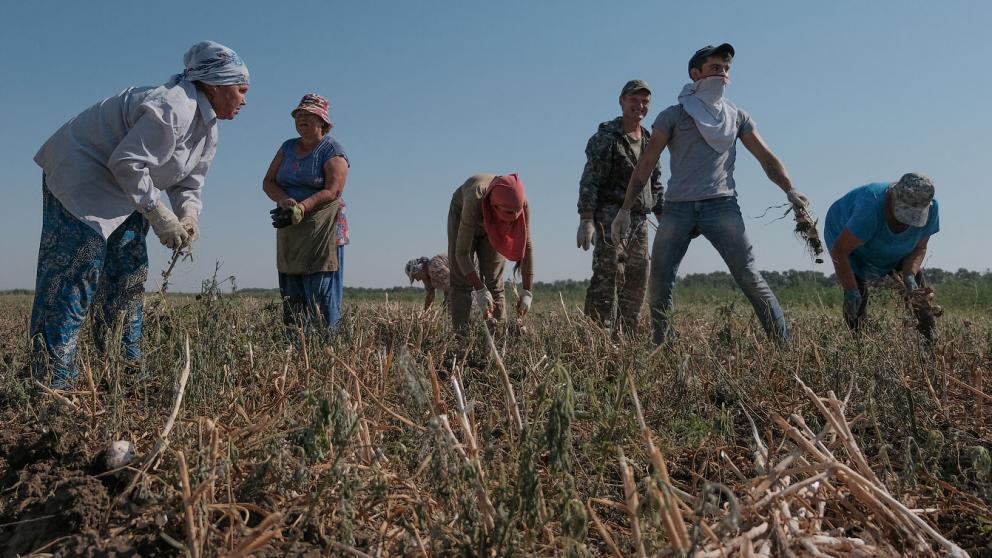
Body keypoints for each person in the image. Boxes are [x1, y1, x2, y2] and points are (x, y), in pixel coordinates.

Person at [30, 41, 249, 388]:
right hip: (83, 174)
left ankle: (122, 370)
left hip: (128, 187)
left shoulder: (209, 130)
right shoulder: (174, 106)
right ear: (217, 85)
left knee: (129, 272)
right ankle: (51, 380)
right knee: (77, 269)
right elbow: (126, 162)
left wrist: (188, 216)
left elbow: (189, 183)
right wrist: (160, 216)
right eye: (241, 90)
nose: (244, 100)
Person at [612, 43, 809, 345]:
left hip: (722, 205)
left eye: (726, 69)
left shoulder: (737, 117)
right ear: (696, 74)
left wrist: (790, 189)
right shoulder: (673, 116)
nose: (722, 74)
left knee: (748, 275)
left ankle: (785, 347)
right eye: (715, 68)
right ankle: (663, 347)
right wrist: (625, 208)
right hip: (677, 208)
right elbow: (646, 164)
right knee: (660, 282)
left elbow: (766, 158)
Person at [577, 80, 663, 333]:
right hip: (609, 215)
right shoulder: (606, 138)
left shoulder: (650, 140)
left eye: (645, 101)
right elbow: (590, 180)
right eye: (634, 100)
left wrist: (664, 218)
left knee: (638, 276)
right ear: (622, 101)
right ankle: (597, 333)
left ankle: (628, 330)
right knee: (608, 273)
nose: (640, 106)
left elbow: (656, 184)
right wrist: (586, 219)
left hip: (639, 218)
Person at [263, 94, 350, 335]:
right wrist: (284, 200)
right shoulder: (287, 147)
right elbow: (268, 182)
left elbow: (333, 190)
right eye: (298, 115)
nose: (301, 118)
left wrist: (303, 207)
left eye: (308, 115)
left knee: (321, 291)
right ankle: (295, 341)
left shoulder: (332, 150)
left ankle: (326, 343)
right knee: (293, 289)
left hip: (323, 229)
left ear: (322, 121)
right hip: (291, 226)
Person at [824, 173, 940, 341]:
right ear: (892, 196)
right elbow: (840, 251)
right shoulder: (869, 209)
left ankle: (931, 340)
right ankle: (858, 342)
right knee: (857, 297)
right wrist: (850, 289)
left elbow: (920, 247)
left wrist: (909, 274)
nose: (906, 224)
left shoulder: (932, 208)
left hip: (893, 248)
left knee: (918, 292)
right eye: (903, 215)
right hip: (848, 241)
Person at [447, 174, 534, 333]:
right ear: (494, 206)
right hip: (463, 215)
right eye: (508, 213)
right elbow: (462, 254)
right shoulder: (474, 199)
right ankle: (462, 337)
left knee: (494, 282)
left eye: (516, 213)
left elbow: (526, 246)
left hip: (494, 224)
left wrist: (528, 290)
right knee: (461, 281)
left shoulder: (521, 205)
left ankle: (499, 337)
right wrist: (480, 289)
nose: (512, 219)